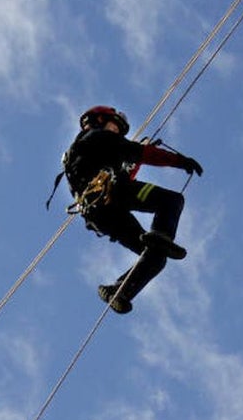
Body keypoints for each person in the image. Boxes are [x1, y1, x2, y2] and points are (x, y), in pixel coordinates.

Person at [55, 105, 203, 314]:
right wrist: (179, 161)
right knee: (171, 200)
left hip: (100, 211)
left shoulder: (86, 151)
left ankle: (119, 290)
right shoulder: (96, 137)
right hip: (111, 192)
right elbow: (138, 153)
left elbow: (125, 168)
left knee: (156, 257)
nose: (117, 132)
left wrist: (133, 162)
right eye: (115, 126)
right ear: (99, 121)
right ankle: (160, 235)